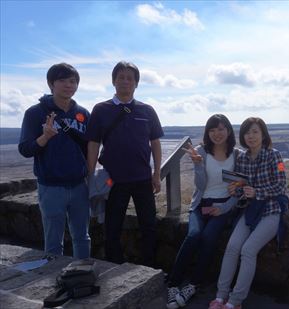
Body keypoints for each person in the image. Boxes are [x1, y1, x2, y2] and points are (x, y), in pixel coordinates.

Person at [85, 61, 163, 267]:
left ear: (136, 83)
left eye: (130, 78)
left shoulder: (147, 110)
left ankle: (149, 268)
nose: (125, 81)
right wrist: (90, 174)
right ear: (113, 81)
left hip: (142, 179)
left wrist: (156, 174)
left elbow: (155, 143)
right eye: (121, 77)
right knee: (112, 227)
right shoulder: (101, 109)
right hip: (114, 179)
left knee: (149, 225)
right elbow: (93, 143)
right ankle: (113, 266)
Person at [209, 117, 289, 309]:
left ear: (263, 134)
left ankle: (235, 301)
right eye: (247, 132)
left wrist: (258, 192)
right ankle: (220, 297)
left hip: (270, 211)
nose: (251, 136)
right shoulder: (242, 158)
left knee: (248, 250)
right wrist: (235, 190)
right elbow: (240, 186)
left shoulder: (275, 156)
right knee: (232, 248)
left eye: (255, 132)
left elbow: (281, 184)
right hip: (250, 211)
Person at [166, 114, 242, 309]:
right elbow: (200, 185)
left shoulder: (237, 155)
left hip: (223, 205)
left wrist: (224, 208)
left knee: (209, 237)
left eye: (221, 128)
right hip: (201, 204)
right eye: (213, 129)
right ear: (208, 133)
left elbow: (238, 188)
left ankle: (194, 284)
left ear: (229, 130)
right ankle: (173, 283)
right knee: (193, 235)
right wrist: (198, 165)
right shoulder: (201, 151)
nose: (217, 133)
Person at [18, 63, 91, 259]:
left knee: (82, 237)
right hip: (50, 188)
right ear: (51, 83)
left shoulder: (83, 113)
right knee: (53, 242)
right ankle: (52, 282)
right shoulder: (35, 113)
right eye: (62, 80)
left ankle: (82, 276)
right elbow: (25, 149)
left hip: (79, 186)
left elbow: (89, 148)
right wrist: (45, 138)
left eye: (73, 81)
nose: (69, 85)